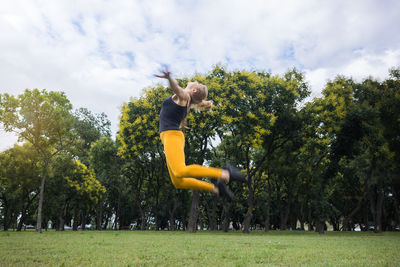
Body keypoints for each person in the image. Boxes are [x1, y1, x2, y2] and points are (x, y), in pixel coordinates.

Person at [156, 67, 245, 200]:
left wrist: (169, 78)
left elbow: (177, 89)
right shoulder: (187, 100)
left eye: (196, 83)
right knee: (178, 182)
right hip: (171, 136)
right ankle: (215, 189)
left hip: (172, 136)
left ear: (194, 90)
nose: (194, 80)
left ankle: (225, 174)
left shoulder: (184, 96)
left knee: (180, 170)